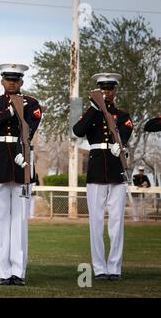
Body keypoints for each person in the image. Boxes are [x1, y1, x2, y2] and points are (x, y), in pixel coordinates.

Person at [0, 63, 42, 286]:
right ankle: (4, 271)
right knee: (1, 220)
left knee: (20, 220)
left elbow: (31, 128)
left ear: (22, 82)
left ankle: (18, 271)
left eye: (16, 79)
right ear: (2, 81)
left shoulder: (32, 103)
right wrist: (9, 112)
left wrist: (23, 152)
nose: (12, 82)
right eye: (8, 79)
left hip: (21, 157)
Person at [73, 73, 133, 281]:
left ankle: (114, 267)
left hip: (116, 168)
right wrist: (95, 108)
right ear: (98, 91)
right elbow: (77, 130)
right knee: (96, 222)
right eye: (103, 89)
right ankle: (99, 267)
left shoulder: (122, 115)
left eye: (110, 89)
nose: (106, 92)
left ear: (115, 91)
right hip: (97, 168)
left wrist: (121, 143)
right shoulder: (92, 113)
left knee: (116, 222)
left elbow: (126, 132)